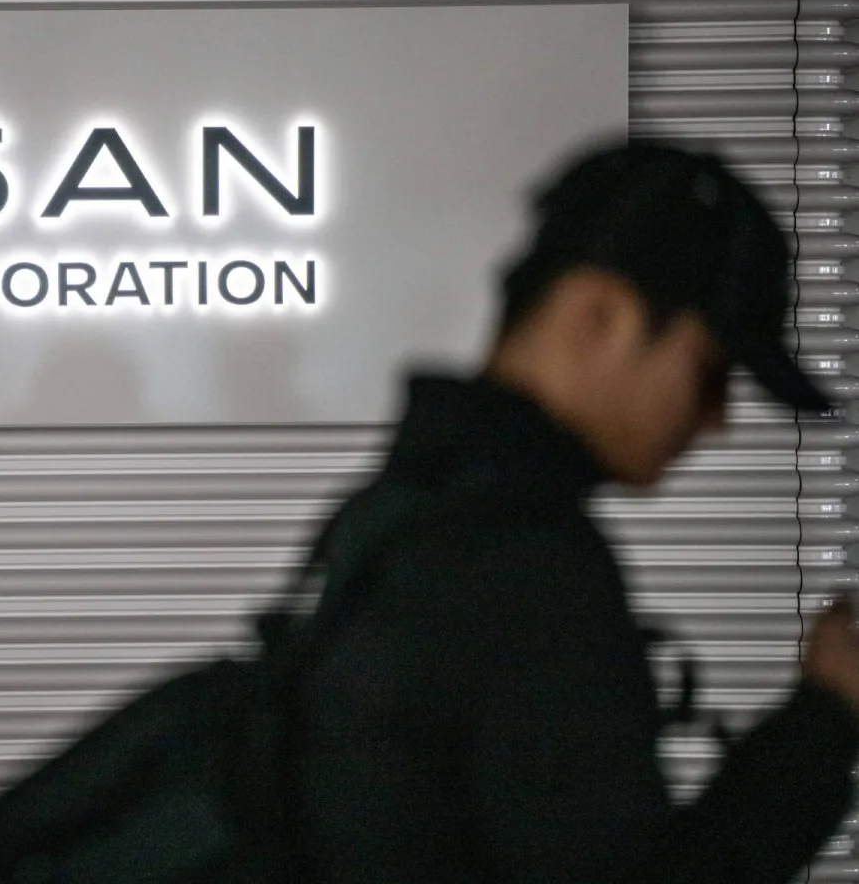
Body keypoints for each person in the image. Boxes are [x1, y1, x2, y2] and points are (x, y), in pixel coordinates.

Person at [295, 139, 859, 883]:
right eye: (709, 370)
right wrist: (827, 715)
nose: (718, 418)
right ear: (600, 315)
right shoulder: (525, 567)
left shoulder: (395, 514)